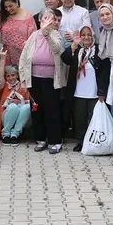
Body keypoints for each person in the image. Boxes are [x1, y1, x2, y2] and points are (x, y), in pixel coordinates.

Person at [19, 9, 66, 154]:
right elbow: (23, 58)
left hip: (51, 80)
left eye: (50, 18)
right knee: (37, 110)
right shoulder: (33, 36)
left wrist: (47, 35)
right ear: (40, 20)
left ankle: (55, 141)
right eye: (45, 18)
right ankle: (40, 139)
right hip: (34, 79)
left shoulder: (56, 34)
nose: (47, 21)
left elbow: (57, 49)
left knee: (52, 110)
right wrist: (23, 80)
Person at [61, 26, 113, 152]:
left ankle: (92, 141)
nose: (86, 37)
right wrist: (74, 44)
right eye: (83, 35)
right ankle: (81, 141)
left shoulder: (99, 50)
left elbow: (104, 72)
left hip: (94, 92)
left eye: (89, 34)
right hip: (78, 92)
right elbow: (65, 58)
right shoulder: (77, 50)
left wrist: (102, 92)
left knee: (93, 118)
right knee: (79, 119)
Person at [0, 0, 37, 71]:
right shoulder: (3, 15)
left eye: (10, 6)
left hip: (23, 55)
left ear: (16, 2)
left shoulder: (27, 17)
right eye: (5, 7)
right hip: (7, 56)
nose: (8, 9)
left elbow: (33, 38)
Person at [0, 57, 31, 144]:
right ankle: (5, 134)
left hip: (21, 118)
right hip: (6, 116)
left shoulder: (22, 86)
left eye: (13, 75)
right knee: (13, 107)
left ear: (17, 75)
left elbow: (29, 102)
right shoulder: (4, 86)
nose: (11, 78)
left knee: (27, 107)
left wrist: (19, 102)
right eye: (8, 76)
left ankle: (15, 134)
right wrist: (2, 59)